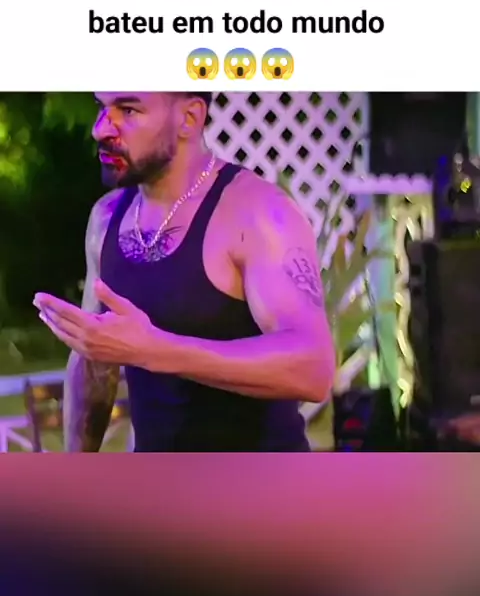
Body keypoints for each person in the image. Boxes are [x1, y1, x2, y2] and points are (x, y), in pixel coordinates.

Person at [34, 92, 335, 451]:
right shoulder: (106, 218)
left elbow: (313, 368)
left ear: (189, 118)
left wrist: (156, 351)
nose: (101, 129)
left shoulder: (257, 213)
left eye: (128, 110)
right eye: (102, 108)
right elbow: (94, 362)